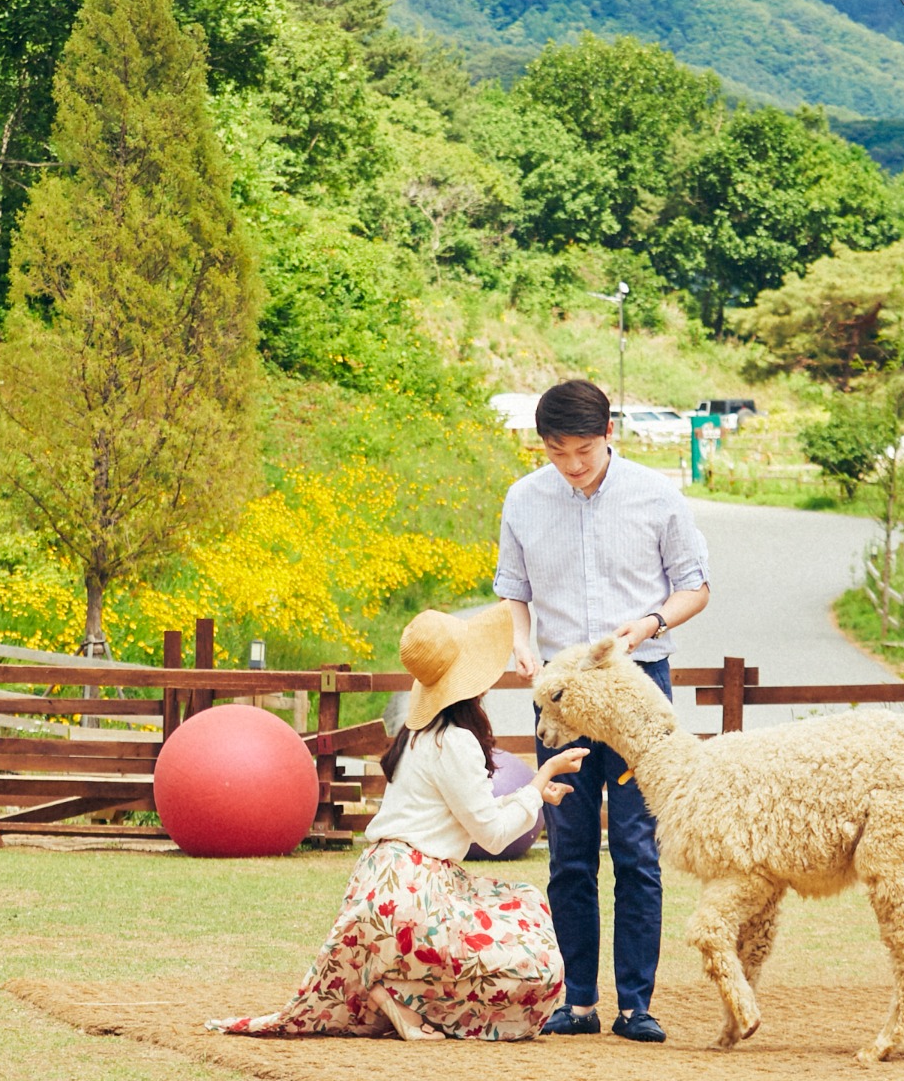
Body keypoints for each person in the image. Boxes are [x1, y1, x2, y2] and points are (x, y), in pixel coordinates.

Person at [212, 603, 584, 1041]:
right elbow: (495, 835)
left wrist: (533, 793)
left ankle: (397, 989)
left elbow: (476, 816)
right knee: (534, 955)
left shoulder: (415, 735)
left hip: (377, 882)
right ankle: (403, 989)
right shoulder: (455, 741)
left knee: (500, 920)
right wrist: (542, 776)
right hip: (419, 891)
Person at [498, 377, 711, 1040]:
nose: (572, 466)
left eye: (584, 451)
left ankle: (636, 1005)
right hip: (562, 693)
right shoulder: (525, 500)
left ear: (609, 434)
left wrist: (648, 624)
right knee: (567, 848)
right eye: (559, 452)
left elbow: (695, 587)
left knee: (637, 848)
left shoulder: (656, 495)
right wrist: (521, 643)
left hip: (638, 685)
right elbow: (514, 589)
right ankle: (578, 1001)